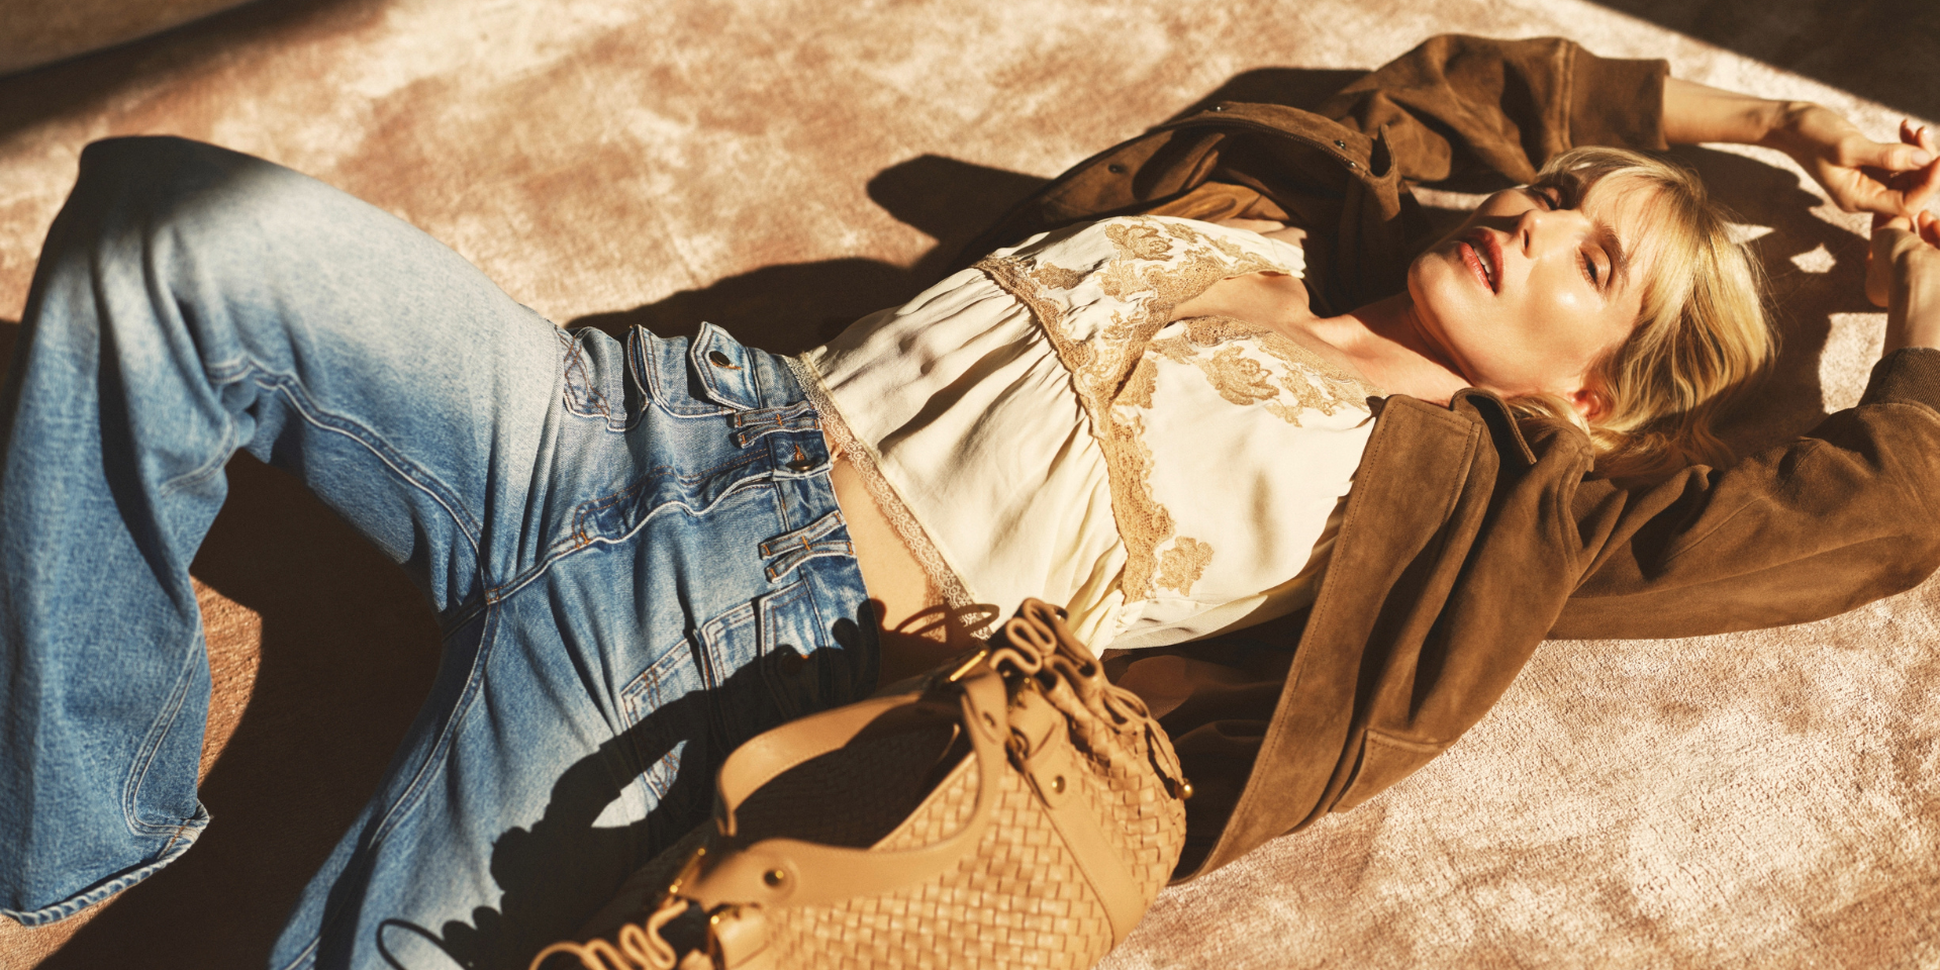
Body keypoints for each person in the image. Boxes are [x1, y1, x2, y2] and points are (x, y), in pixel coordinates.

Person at [1, 33, 1936, 970]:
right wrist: (1775, 123)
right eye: (1556, 193)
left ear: (1595, 399)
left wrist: (1918, 292)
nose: (1536, 219)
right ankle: (81, 836)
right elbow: (1456, 93)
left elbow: (1866, 506)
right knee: (163, 228)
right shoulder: (1280, 198)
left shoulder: (1493, 520)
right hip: (622, 415)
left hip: (740, 652)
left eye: (1593, 262)